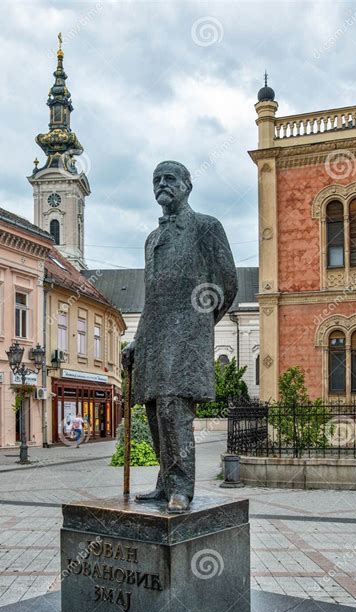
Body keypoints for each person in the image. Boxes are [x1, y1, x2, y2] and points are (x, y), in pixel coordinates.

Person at [122, 160, 237, 513]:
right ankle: (164, 482)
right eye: (156, 179)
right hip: (154, 340)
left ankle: (182, 488)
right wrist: (137, 341)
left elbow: (227, 283)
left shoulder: (206, 227)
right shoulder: (152, 239)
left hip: (185, 338)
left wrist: (198, 323)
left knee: (174, 411)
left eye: (169, 178)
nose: (162, 184)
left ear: (187, 185)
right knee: (155, 411)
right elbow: (151, 298)